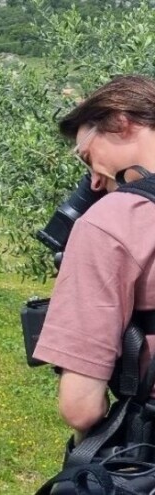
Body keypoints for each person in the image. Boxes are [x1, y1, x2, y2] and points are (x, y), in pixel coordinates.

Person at [33, 75, 155, 440]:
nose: (95, 183)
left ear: (120, 120)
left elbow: (81, 407)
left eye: (87, 158)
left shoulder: (112, 221)